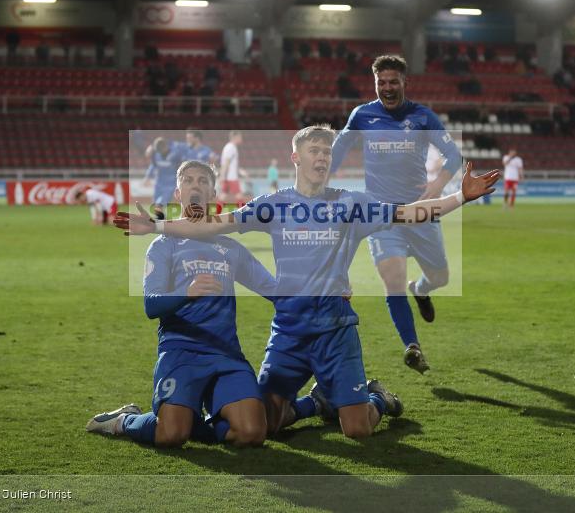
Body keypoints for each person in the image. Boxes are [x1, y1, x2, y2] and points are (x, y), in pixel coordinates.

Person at [115, 125, 500, 440]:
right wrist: (157, 226)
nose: (321, 157)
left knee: (358, 430)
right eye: (313, 150)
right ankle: (316, 403)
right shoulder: (273, 204)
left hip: (335, 328)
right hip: (290, 330)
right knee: (264, 422)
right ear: (296, 157)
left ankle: (377, 399)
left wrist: (458, 198)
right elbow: (216, 223)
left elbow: (409, 213)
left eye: (327, 152)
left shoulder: (353, 204)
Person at [87, 161, 275, 448]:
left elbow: (275, 290)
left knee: (252, 433)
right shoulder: (163, 246)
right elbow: (151, 307)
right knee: (171, 435)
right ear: (178, 193)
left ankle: (193, 420)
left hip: (225, 353)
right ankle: (124, 420)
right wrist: (187, 292)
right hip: (180, 351)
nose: (195, 185)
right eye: (188, 181)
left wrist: (327, 289)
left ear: (213, 194)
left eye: (202, 181)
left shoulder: (231, 248)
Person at [329, 55, 463, 374]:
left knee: (441, 277)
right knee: (392, 279)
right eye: (381, 83)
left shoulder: (422, 116)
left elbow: (454, 156)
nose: (387, 88)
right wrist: (316, 182)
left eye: (393, 82)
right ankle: (412, 346)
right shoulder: (363, 115)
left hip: (420, 211)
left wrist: (438, 184)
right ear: (374, 83)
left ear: (405, 82)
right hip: (381, 214)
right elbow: (337, 152)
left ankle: (422, 289)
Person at [145, 137, 189, 220]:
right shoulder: (156, 154)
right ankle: (162, 220)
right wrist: (148, 177)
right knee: (155, 204)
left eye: (161, 150)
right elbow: (153, 165)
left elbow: (183, 164)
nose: (160, 152)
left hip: (170, 183)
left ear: (165, 146)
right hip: (159, 182)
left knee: (161, 203)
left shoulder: (176, 153)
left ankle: (162, 222)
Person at [219, 130, 247, 205]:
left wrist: (240, 171)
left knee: (223, 195)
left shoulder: (230, 147)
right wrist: (222, 176)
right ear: (235, 137)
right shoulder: (231, 147)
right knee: (239, 196)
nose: (241, 138)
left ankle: (214, 212)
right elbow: (226, 163)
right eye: (240, 137)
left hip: (228, 177)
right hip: (231, 177)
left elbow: (230, 164)